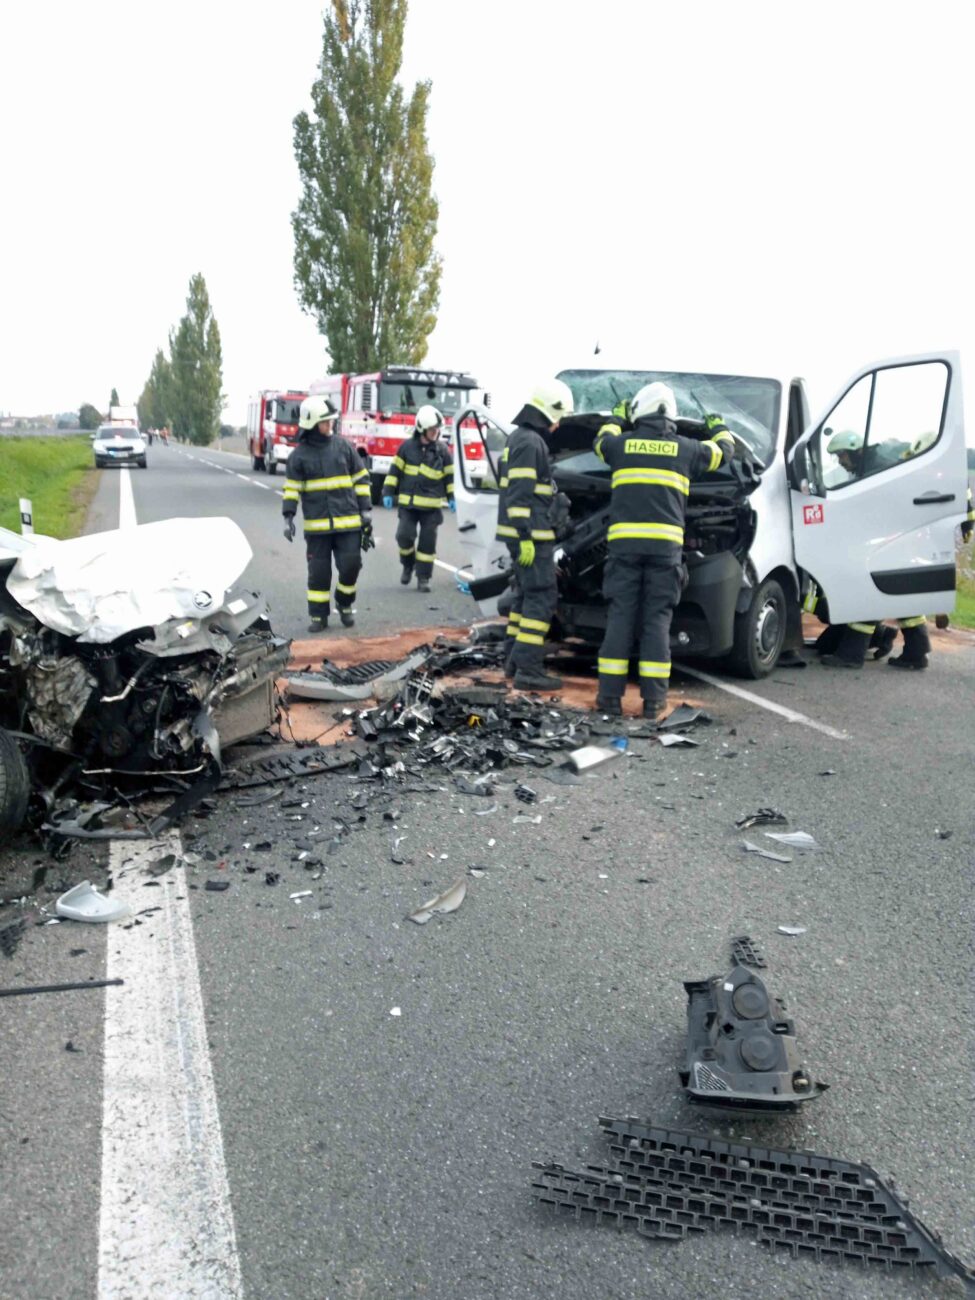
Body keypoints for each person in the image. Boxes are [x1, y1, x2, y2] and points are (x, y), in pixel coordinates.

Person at [593, 382, 734, 719]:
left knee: (620, 620)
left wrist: (616, 417)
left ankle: (609, 701)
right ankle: (654, 702)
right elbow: (725, 452)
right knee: (657, 622)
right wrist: (718, 427)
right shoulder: (687, 449)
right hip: (664, 554)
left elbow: (599, 442)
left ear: (638, 411)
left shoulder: (620, 445)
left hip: (624, 550)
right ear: (670, 415)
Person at [497, 379, 574, 692]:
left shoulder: (520, 438)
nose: (558, 426)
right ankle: (528, 669)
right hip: (530, 536)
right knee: (542, 598)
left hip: (524, 534)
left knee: (525, 597)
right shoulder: (531, 443)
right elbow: (519, 495)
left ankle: (513, 662)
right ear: (549, 412)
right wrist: (527, 536)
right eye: (558, 418)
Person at [282, 395, 372, 632]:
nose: (329, 425)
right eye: (325, 422)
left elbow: (361, 479)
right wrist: (288, 516)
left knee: (351, 565)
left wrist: (366, 510)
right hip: (317, 528)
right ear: (312, 423)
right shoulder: (298, 456)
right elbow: (292, 489)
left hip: (348, 522)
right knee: (319, 574)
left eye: (331, 421)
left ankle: (344, 603)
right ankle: (318, 616)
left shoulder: (344, 447)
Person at [381, 404, 455, 593]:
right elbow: (394, 471)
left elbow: (449, 477)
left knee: (427, 544)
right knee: (404, 537)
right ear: (422, 428)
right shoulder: (406, 448)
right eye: (432, 429)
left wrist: (452, 497)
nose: (436, 432)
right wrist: (388, 492)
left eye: (438, 429)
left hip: (431, 508)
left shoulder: (443, 451)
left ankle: (424, 578)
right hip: (409, 505)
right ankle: (408, 564)